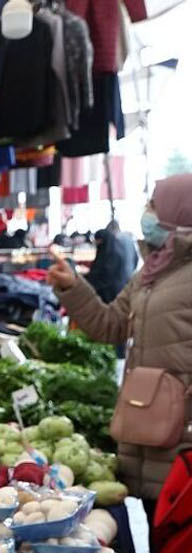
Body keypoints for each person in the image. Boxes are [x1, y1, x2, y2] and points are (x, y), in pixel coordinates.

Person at [48, 174, 192, 506]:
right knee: (161, 544)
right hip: (147, 430)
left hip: (182, 441)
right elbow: (109, 325)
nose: (148, 212)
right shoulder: (149, 275)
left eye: (155, 205)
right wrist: (73, 287)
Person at [83, 220, 140, 303]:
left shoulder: (111, 254)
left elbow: (102, 278)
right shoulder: (118, 248)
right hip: (124, 283)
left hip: (109, 294)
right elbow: (136, 259)